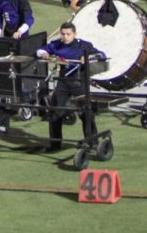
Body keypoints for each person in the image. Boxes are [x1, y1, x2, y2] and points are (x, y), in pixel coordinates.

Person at [37, 22, 107, 151]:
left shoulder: (83, 45)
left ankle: (93, 143)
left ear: (74, 34)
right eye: (63, 34)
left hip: (79, 82)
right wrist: (43, 54)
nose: (65, 37)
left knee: (86, 113)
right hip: (63, 82)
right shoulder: (57, 44)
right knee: (55, 112)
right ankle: (55, 145)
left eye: (68, 34)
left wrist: (88, 57)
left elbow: (102, 55)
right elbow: (40, 50)